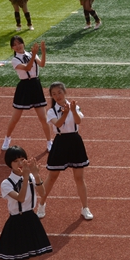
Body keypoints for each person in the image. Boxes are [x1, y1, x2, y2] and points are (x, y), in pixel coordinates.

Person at [39, 82, 92, 220]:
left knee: (79, 177)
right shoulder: (51, 111)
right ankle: (41, 204)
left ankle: (85, 208)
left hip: (75, 141)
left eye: (59, 92)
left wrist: (72, 111)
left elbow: (78, 121)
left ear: (65, 92)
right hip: (60, 142)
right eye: (54, 94)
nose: (57, 96)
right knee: (52, 177)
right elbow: (58, 124)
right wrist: (66, 113)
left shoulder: (74, 106)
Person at [1, 37, 51, 153]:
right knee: (15, 118)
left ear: (23, 44)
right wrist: (33, 55)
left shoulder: (31, 54)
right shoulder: (15, 60)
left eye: (19, 43)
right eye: (15, 45)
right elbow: (27, 68)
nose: (18, 46)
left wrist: (43, 52)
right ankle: (7, 138)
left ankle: (49, 142)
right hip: (24, 87)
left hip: (35, 86)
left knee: (43, 118)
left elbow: (42, 64)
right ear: (12, 47)